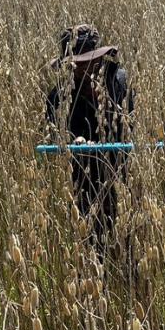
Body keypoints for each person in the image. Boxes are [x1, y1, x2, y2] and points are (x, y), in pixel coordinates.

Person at [44, 24, 135, 260]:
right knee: (95, 245)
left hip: (125, 172)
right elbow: (55, 137)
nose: (88, 67)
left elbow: (140, 121)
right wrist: (76, 142)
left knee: (131, 243)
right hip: (86, 179)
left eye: (92, 60)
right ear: (69, 65)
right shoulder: (59, 97)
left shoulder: (120, 82)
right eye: (80, 63)